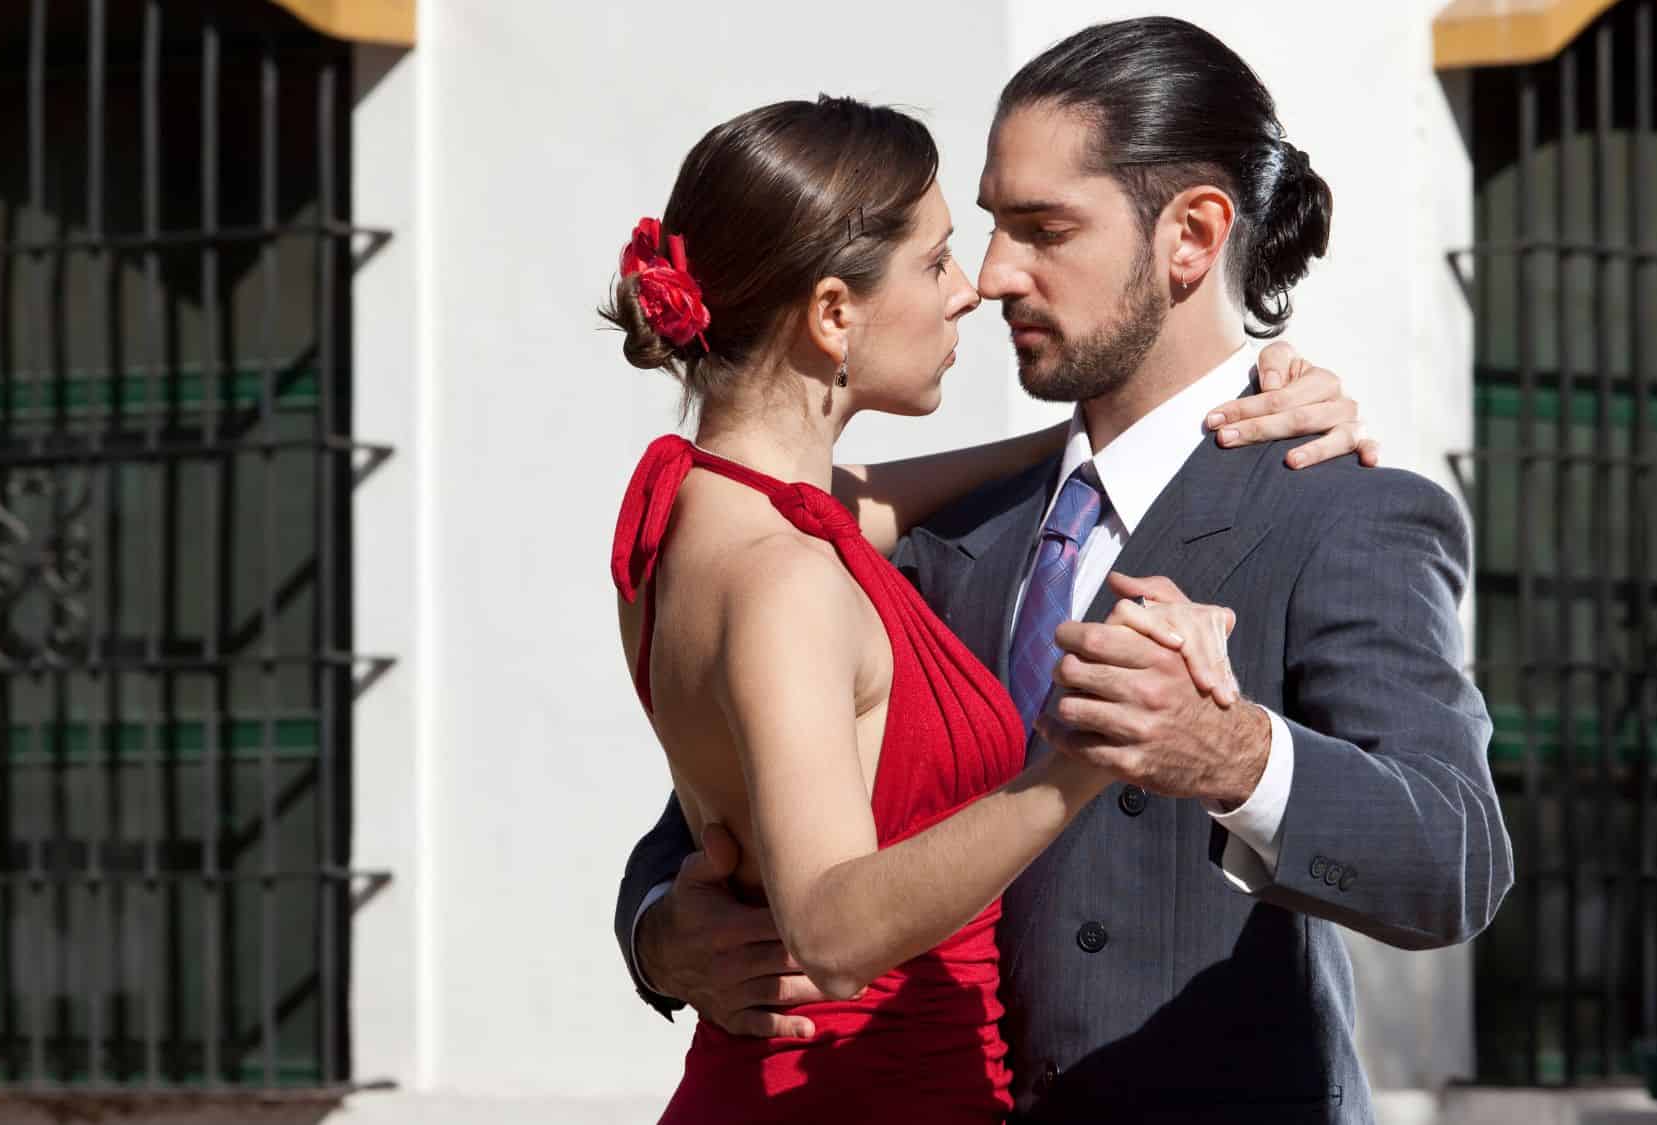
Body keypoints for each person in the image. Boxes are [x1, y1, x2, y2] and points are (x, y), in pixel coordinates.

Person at [616, 19, 1511, 1125]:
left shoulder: (1342, 508)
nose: (991, 278)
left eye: (1041, 230)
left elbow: (1453, 860)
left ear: (1189, 236)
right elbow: (729, 805)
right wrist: (663, 930)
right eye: (985, 229)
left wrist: (1233, 753)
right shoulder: (935, 533)